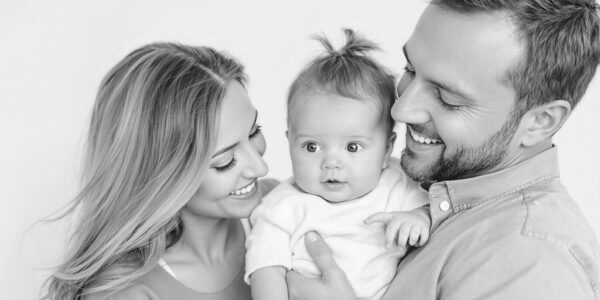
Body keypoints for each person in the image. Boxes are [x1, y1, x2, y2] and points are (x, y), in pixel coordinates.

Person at [285, 1, 600, 299]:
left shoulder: (530, 265)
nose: (401, 111)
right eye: (410, 69)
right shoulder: (421, 187)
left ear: (540, 122)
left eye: (449, 99)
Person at [42, 42, 278, 299]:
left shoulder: (283, 206)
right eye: (225, 161)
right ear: (164, 177)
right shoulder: (129, 294)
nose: (260, 167)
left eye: (254, 132)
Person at [245, 29, 430, 300]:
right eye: (311, 147)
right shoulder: (283, 207)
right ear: (289, 142)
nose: (331, 163)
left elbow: (431, 208)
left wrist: (419, 217)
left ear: (387, 148)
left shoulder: (396, 183)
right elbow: (265, 267)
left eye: (352, 147)